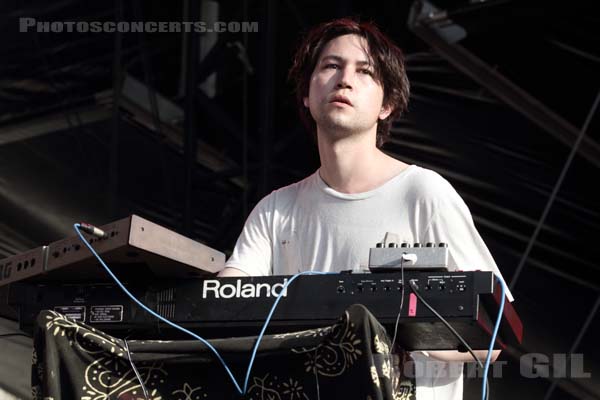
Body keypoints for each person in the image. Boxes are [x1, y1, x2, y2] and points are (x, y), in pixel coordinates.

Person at [219, 18, 513, 399]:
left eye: (365, 71)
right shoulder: (275, 210)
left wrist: (393, 336)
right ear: (306, 94)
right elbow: (223, 305)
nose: (344, 79)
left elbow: (494, 335)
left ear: (387, 105)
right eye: (330, 66)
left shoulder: (423, 193)